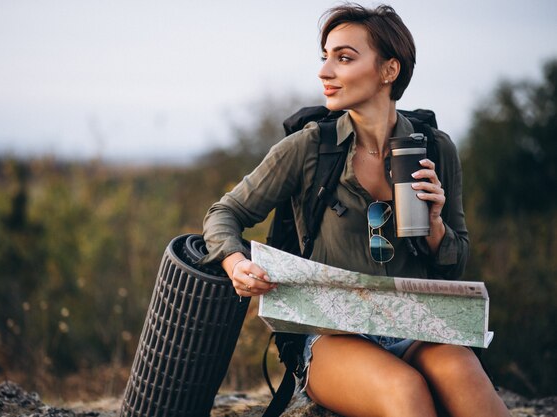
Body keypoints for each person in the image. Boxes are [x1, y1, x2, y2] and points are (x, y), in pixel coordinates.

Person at [202, 3, 510, 416]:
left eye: (344, 58)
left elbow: (454, 264)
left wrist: (436, 226)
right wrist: (236, 263)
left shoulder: (435, 148)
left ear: (389, 70)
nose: (325, 72)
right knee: (405, 390)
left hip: (417, 326)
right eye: (325, 57)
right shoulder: (309, 147)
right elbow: (225, 213)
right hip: (332, 336)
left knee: (465, 374)